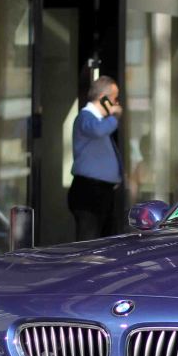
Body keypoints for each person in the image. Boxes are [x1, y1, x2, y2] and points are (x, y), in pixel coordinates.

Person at [68, 76, 123, 240]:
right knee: (89, 243)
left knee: (104, 242)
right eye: (114, 98)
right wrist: (115, 116)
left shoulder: (98, 121)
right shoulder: (86, 117)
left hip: (101, 192)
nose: (116, 103)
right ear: (103, 98)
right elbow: (97, 130)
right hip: (89, 192)